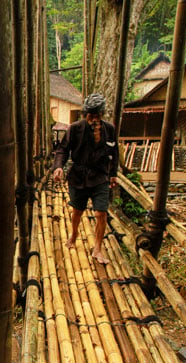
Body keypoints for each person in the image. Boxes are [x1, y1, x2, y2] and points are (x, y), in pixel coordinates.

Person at [52, 93, 119, 264]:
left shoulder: (109, 129)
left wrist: (113, 174)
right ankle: (74, 233)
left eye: (96, 115)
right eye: (90, 115)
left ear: (102, 115)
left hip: (100, 176)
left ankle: (97, 248)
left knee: (101, 212)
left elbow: (114, 153)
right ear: (85, 114)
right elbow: (62, 150)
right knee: (77, 211)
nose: (93, 119)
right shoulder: (75, 128)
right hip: (78, 176)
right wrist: (58, 167)